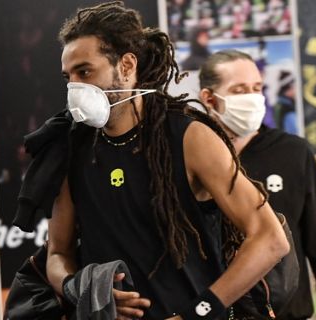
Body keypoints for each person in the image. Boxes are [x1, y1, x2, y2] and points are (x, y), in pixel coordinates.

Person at [46, 2, 289, 319]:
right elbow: (57, 253)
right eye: (69, 77)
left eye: (85, 71)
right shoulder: (72, 149)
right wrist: (84, 290)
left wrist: (197, 313)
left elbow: (270, 238)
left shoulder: (189, 137)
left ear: (127, 66)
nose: (75, 86)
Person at [198, 49, 316, 320]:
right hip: (216, 310)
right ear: (209, 98)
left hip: (286, 312)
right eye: (238, 90)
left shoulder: (291, 152)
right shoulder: (192, 155)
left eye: (257, 88)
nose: (251, 97)